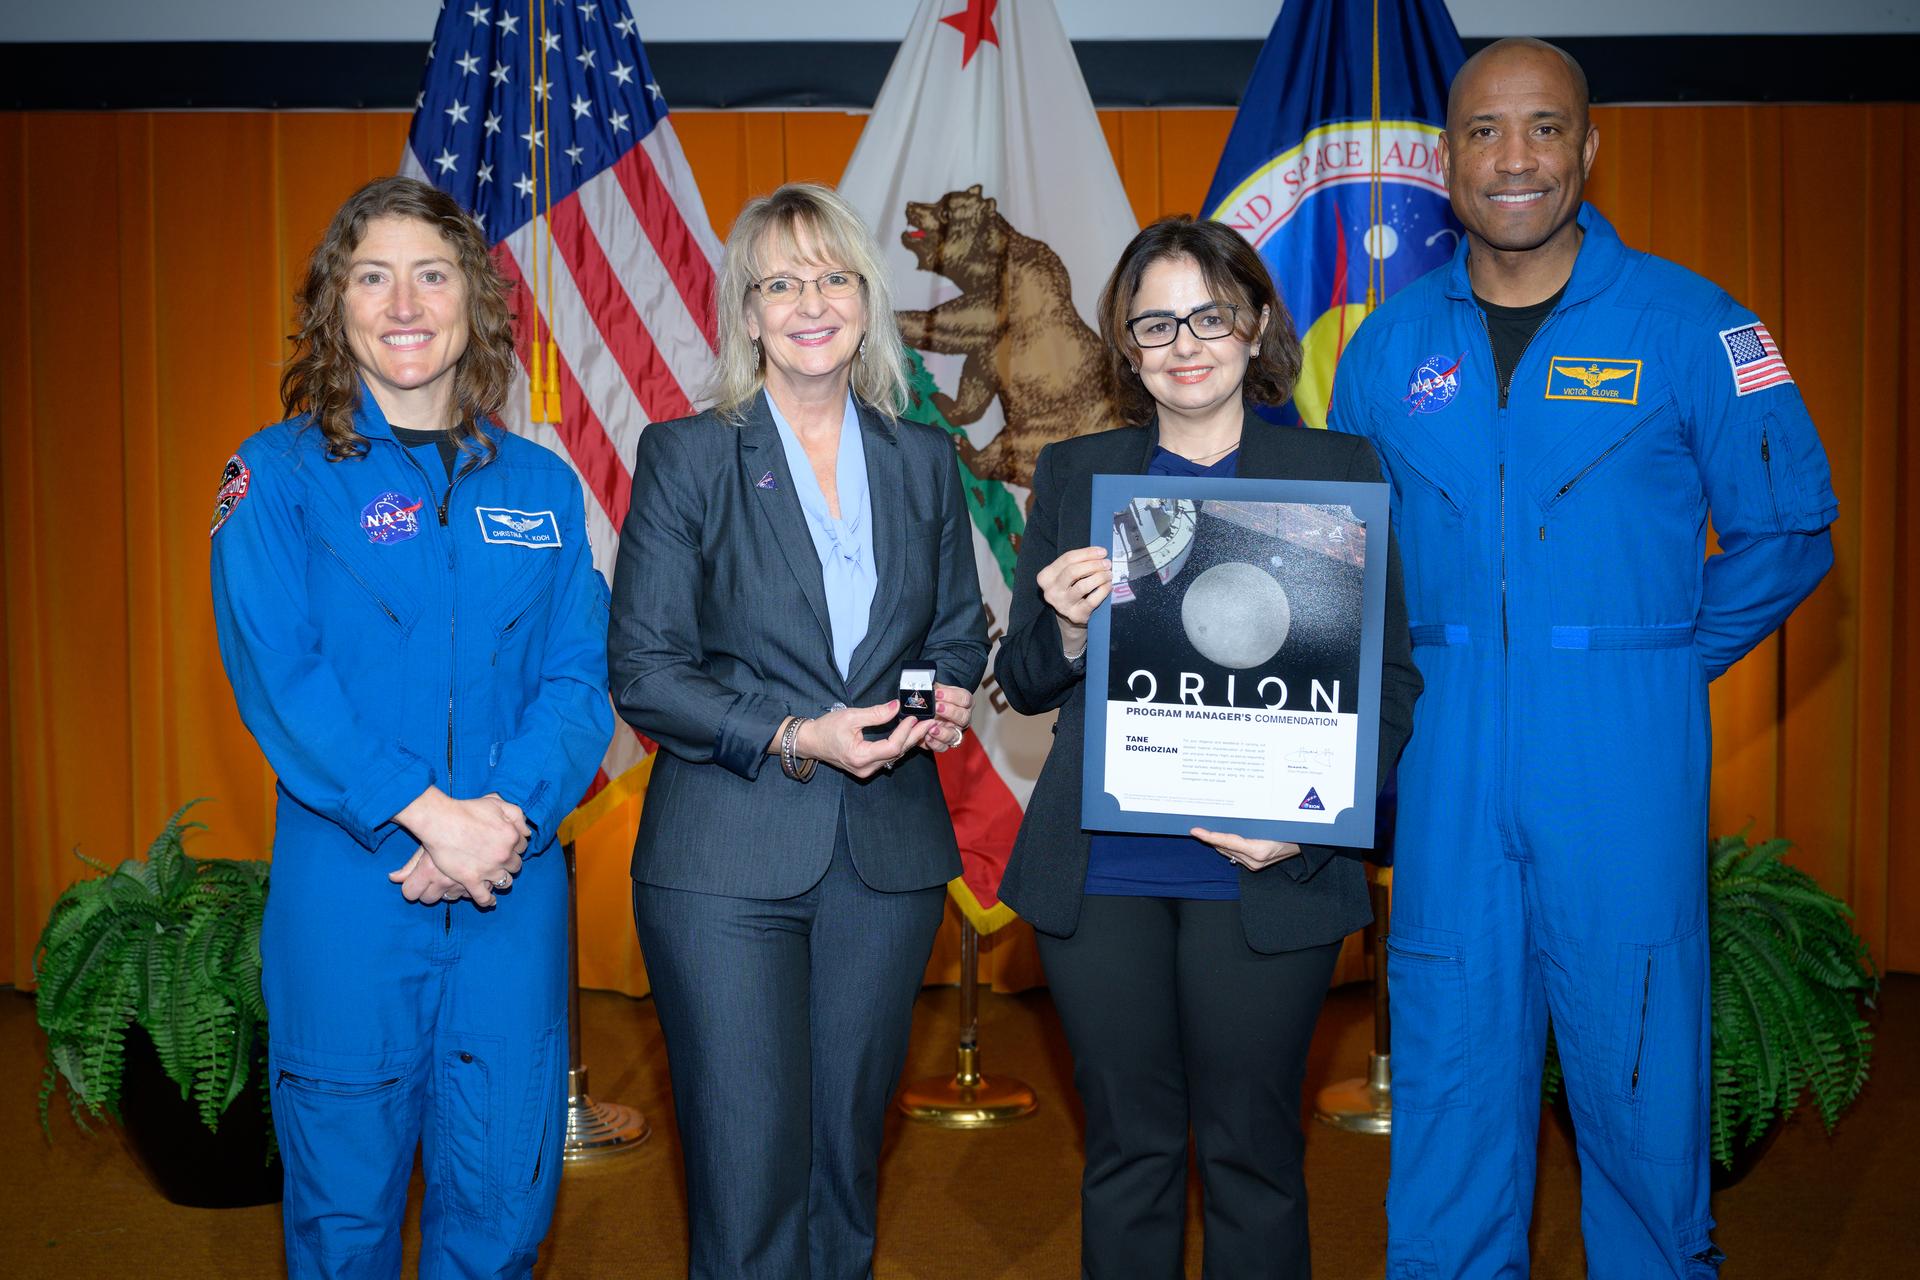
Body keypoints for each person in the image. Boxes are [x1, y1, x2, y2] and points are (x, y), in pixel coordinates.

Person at [1329, 38, 1838, 1279]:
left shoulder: (1696, 324)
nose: (1515, 159)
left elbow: (1789, 533)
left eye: (1545, 128)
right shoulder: (1386, 349)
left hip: (1621, 759)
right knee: (1449, 1065)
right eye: (1484, 131)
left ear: (1589, 147)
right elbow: (1346, 561)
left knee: (1637, 1071)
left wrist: (1655, 661)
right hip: (1446, 756)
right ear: (1445, 159)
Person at [994, 216, 1422, 1279]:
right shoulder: (1078, 473)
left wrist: (1311, 823)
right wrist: (1070, 629)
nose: (1184, 344)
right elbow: (1026, 678)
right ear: (1126, 345)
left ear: (1256, 323)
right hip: (1104, 871)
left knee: (1252, 1154)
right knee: (1128, 1152)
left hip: (1268, 870)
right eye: (1155, 324)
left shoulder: (1334, 467)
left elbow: (1391, 681)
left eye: (1210, 316)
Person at [209, 175, 613, 1277]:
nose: (403, 304)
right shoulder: (274, 478)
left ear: (473, 301)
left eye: (431, 275)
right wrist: (429, 815)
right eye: (372, 276)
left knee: (501, 1214)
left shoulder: (543, 486)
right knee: (342, 1223)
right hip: (352, 892)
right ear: (334, 304)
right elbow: (284, 682)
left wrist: (500, 819)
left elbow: (580, 679)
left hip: (508, 891)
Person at [608, 182, 989, 1279]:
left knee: (843, 1167)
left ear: (866, 302)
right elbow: (645, 672)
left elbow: (958, 631)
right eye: (781, 283)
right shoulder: (688, 454)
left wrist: (938, 699)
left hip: (887, 861)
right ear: (748, 313)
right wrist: (794, 734)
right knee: (748, 1172)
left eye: (832, 278)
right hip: (723, 863)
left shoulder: (924, 458)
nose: (810, 303)